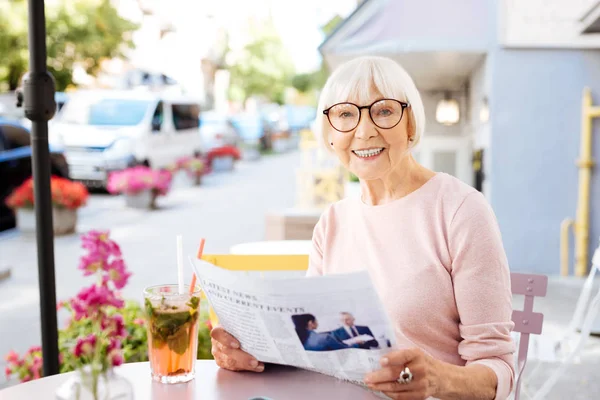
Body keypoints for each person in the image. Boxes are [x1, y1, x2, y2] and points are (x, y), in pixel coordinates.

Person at [210, 56, 515, 400]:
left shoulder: (461, 209)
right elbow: (316, 346)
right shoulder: (333, 221)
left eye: (384, 111)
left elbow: (498, 371)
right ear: (329, 136)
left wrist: (437, 379)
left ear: (410, 125)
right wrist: (253, 356)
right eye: (345, 114)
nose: (364, 130)